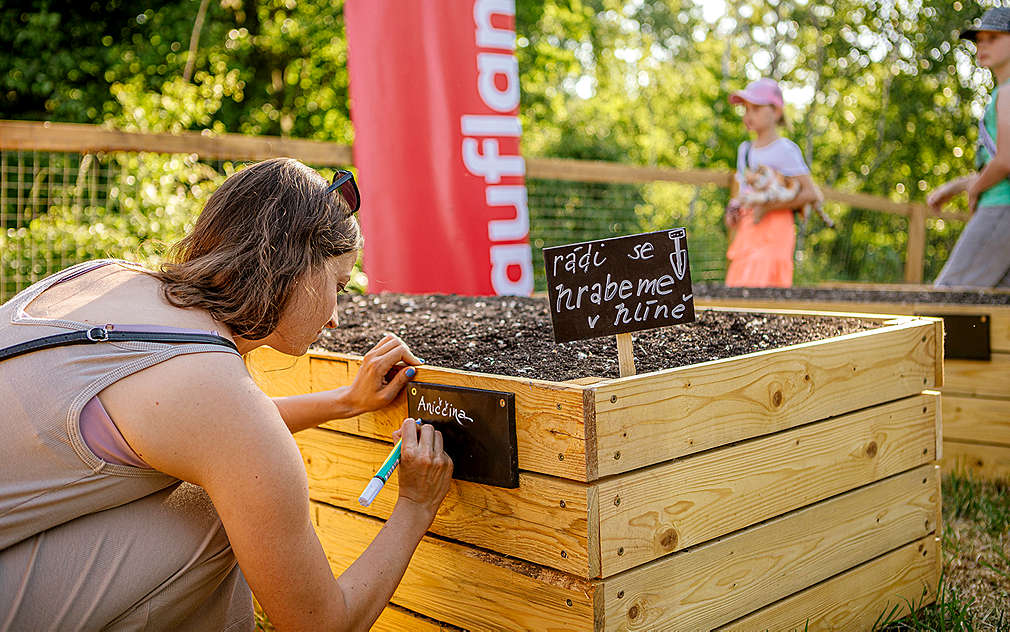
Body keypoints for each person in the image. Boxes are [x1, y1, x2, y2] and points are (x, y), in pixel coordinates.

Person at [0, 158, 454, 631]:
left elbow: (201, 432)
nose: (337, 316)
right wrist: (415, 507)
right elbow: (321, 625)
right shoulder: (210, 389)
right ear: (295, 266)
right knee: (218, 513)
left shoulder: (109, 281)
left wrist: (346, 402)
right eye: (338, 285)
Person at [927, 7, 1010, 288]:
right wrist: (955, 187)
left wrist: (975, 188)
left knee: (947, 298)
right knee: (998, 310)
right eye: (979, 40)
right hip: (1000, 203)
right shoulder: (1001, 92)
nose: (982, 45)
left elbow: (1006, 162)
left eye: (993, 37)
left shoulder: (1009, 92)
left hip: (1001, 207)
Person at [723, 78, 821, 288]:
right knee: (738, 288)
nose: (749, 115)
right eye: (746, 109)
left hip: (775, 232)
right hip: (748, 230)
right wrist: (734, 208)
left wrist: (767, 207)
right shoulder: (745, 150)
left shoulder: (785, 149)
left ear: (776, 112)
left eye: (756, 108)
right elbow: (744, 191)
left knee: (764, 290)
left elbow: (811, 193)